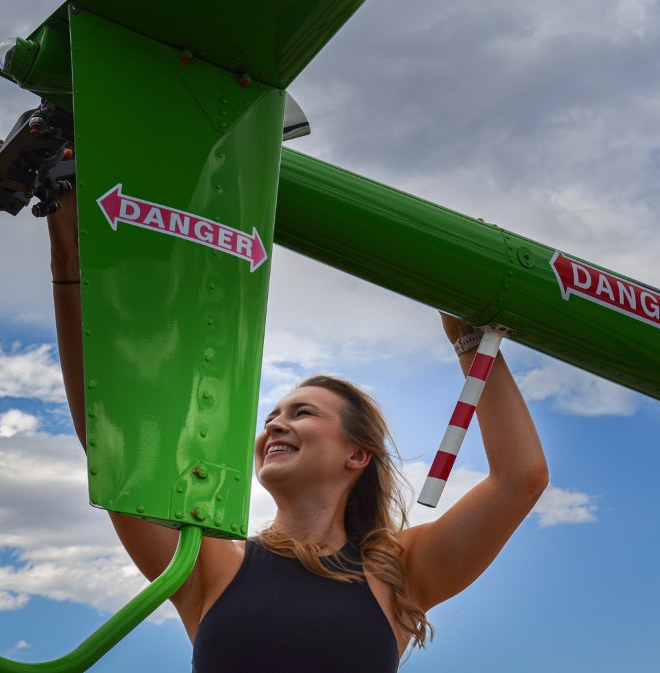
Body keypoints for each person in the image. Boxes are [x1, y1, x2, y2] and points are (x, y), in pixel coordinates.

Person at [47, 181, 548, 672]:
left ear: (358, 454)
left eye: (301, 413)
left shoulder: (399, 573)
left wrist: (470, 341)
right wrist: (68, 262)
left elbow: (519, 479)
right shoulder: (209, 564)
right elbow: (110, 440)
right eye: (271, 419)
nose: (276, 426)